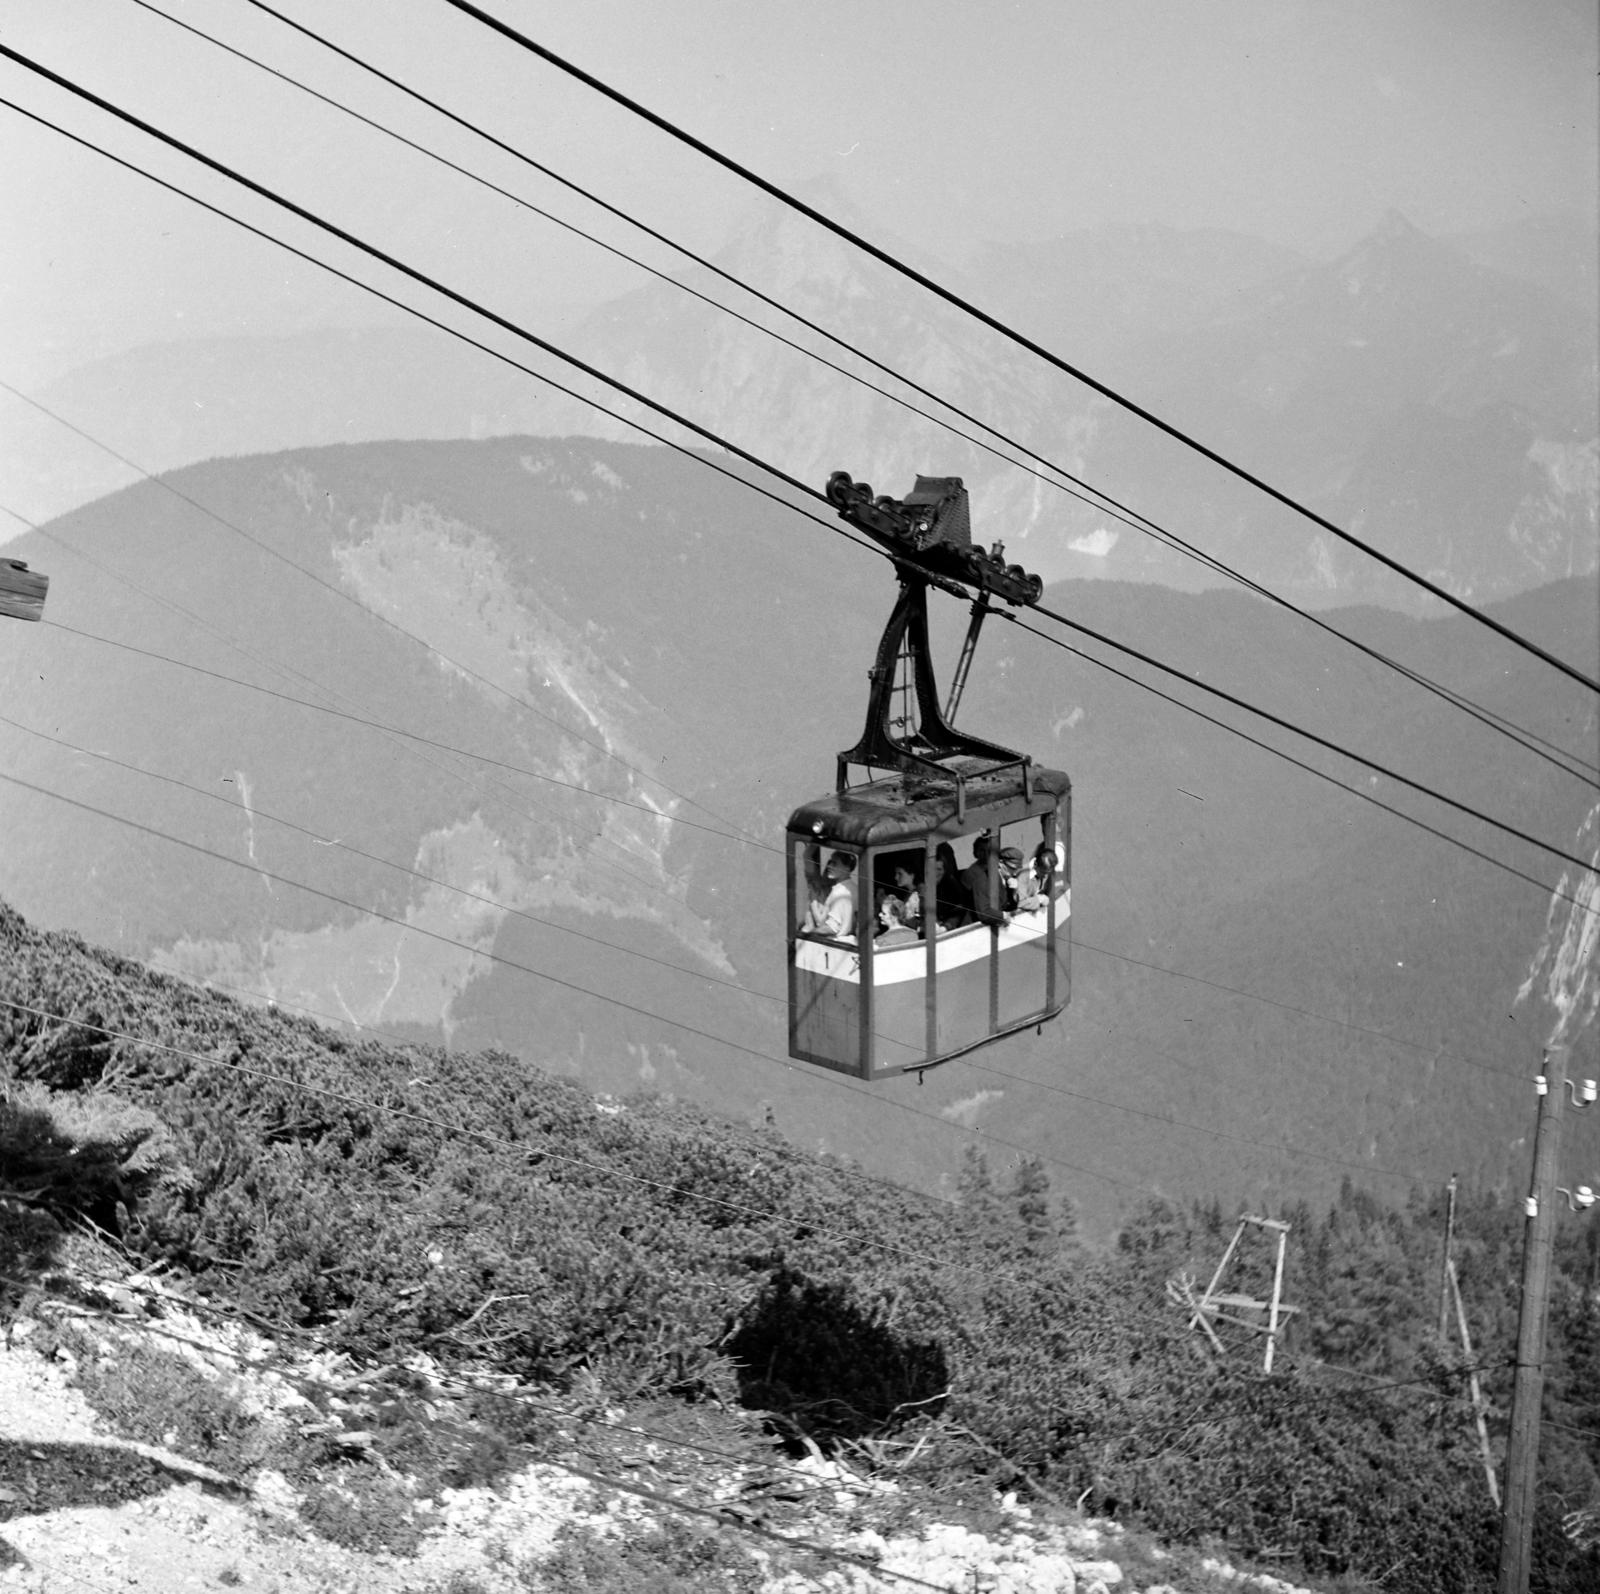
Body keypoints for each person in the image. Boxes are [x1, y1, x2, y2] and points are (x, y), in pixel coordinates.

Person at [803, 849, 857, 940]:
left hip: (836, 945)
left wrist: (807, 935)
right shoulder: (853, 888)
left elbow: (832, 928)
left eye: (835, 864)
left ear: (847, 868)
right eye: (830, 862)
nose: (829, 866)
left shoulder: (840, 893)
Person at [961, 832, 1002, 921]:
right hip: (976, 918)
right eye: (982, 850)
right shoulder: (972, 873)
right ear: (976, 852)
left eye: (989, 851)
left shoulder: (994, 869)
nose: (986, 854)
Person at [934, 842, 971, 929]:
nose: (935, 873)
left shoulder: (952, 886)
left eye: (939, 869)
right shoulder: (922, 888)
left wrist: (946, 926)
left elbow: (959, 911)